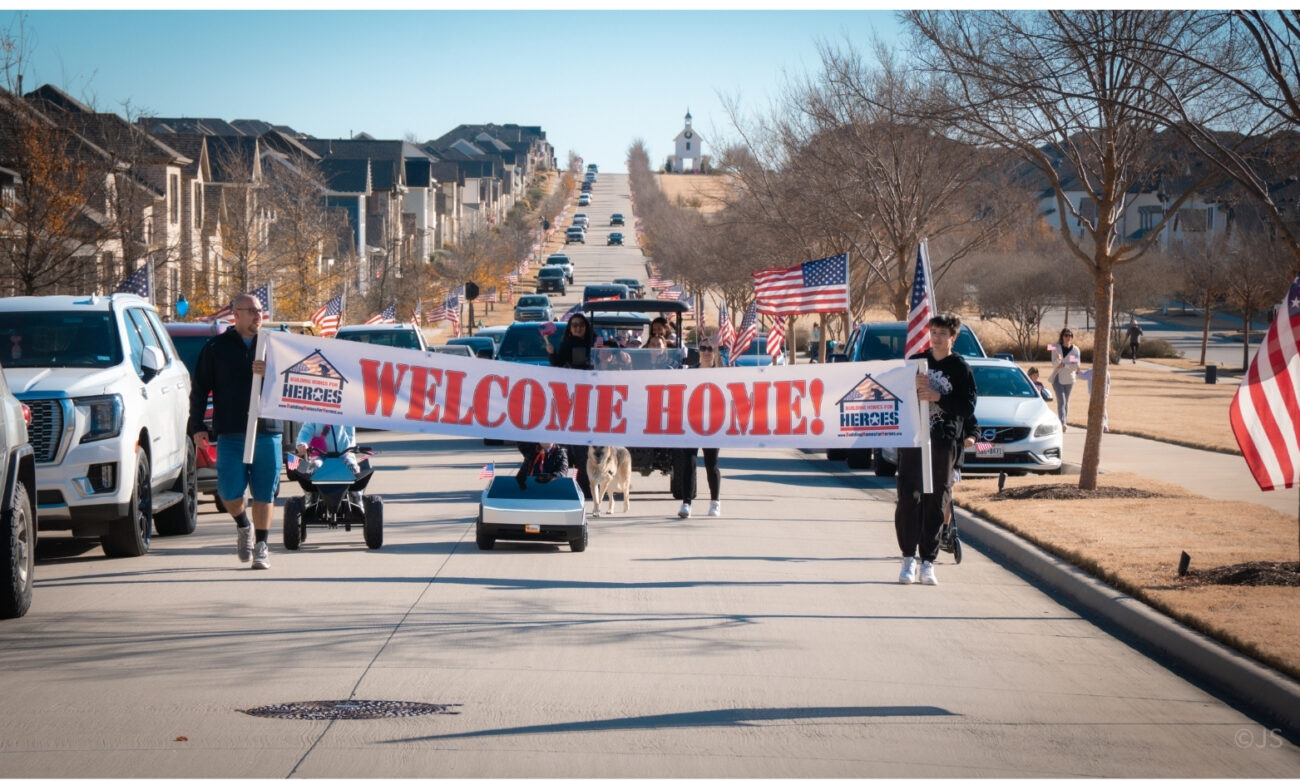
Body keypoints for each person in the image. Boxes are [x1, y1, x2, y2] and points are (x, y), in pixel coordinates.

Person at [187, 293, 281, 570]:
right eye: (251, 311)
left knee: (265, 493)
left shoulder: (275, 347)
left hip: (267, 429)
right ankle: (243, 525)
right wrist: (197, 427)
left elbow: (296, 381)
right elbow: (200, 389)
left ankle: (262, 545)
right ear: (235, 314)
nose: (257, 315)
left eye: (260, 310)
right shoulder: (216, 348)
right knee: (228, 492)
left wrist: (272, 371)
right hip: (230, 431)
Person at [895, 313, 977, 587]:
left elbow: (967, 408)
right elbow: (896, 397)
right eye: (934, 332)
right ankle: (908, 559)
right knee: (909, 497)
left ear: (953, 338)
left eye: (943, 333)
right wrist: (911, 388)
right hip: (914, 439)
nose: (937, 337)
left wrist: (938, 397)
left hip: (943, 441)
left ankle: (928, 562)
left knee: (936, 500)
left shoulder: (961, 368)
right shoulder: (917, 363)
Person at [671, 338, 724, 518]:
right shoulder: (690, 372)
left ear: (715, 352)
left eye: (710, 348)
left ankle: (715, 502)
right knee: (689, 463)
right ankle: (686, 503)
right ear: (699, 351)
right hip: (692, 423)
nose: (707, 351)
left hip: (713, 425)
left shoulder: (721, 374)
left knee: (711, 464)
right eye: (703, 348)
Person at [543, 315, 593, 499]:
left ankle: (589, 486)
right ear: (570, 328)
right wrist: (551, 352)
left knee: (589, 448)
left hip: (595, 396)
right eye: (574, 325)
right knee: (578, 446)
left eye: (581, 325)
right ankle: (580, 488)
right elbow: (557, 364)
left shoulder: (595, 342)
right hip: (576, 397)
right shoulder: (568, 344)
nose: (578, 328)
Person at [294, 421, 361, 476]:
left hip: (344, 454)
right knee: (313, 468)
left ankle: (355, 491)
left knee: (353, 468)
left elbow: (350, 432)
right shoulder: (315, 412)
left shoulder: (343, 411)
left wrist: (351, 447)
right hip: (320, 455)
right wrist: (302, 443)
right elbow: (306, 430)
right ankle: (312, 490)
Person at [1048, 328, 1081, 427]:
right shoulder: (1055, 347)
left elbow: (1076, 366)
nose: (1068, 337)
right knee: (1061, 400)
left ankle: (1064, 421)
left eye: (1070, 335)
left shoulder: (1075, 350)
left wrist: (1064, 365)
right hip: (1058, 377)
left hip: (1070, 379)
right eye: (1066, 335)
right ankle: (1062, 423)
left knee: (1066, 401)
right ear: (1062, 336)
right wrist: (1058, 361)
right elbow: (1054, 364)